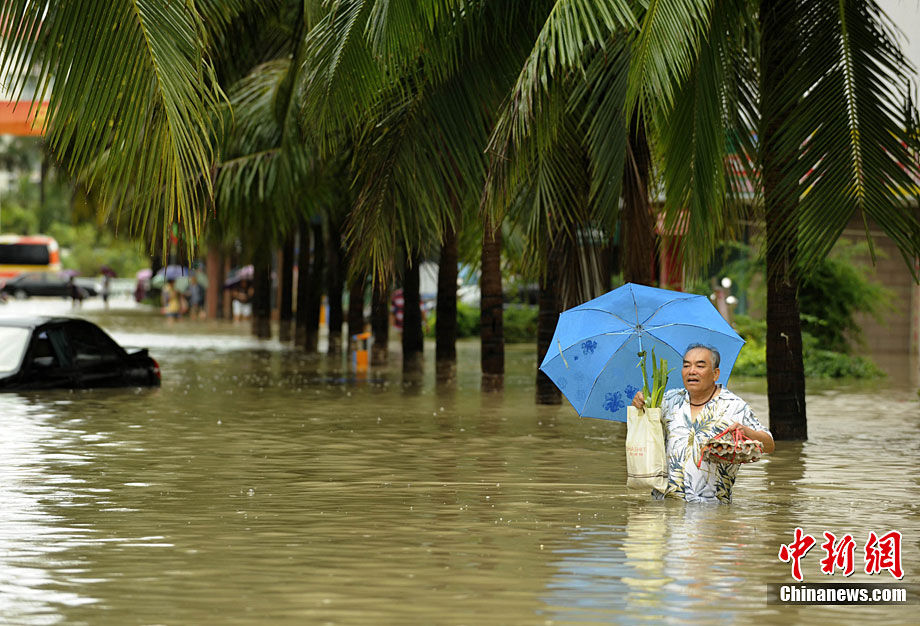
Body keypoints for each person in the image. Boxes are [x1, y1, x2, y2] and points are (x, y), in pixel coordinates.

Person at [631, 343, 775, 504]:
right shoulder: (668, 401)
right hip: (664, 505)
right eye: (686, 365)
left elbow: (769, 445)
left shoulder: (734, 406)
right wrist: (641, 404)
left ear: (715, 374)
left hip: (712, 508)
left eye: (700, 366)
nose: (692, 371)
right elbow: (645, 433)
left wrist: (746, 432)